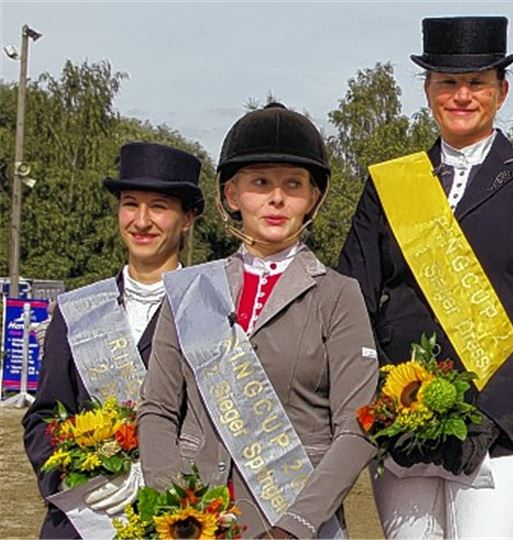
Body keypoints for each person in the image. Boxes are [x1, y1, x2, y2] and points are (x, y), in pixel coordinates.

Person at [337, 16, 513, 539]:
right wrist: (390, 399)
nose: (462, 95)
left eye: (477, 83)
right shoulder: (391, 182)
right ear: (428, 90)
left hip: (500, 429)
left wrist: (495, 413)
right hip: (407, 426)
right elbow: (352, 302)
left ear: (502, 91)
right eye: (447, 82)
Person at [137, 103, 378, 539]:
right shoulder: (188, 291)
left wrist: (294, 527)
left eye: (293, 184)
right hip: (198, 517)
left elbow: (357, 427)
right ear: (231, 195)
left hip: (295, 517)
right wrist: (177, 508)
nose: (277, 198)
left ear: (313, 199)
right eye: (260, 182)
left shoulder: (339, 296)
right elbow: (157, 410)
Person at [23, 142, 203, 538]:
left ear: (187, 218)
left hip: (170, 519)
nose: (141, 221)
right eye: (129, 203)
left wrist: (156, 473)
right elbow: (43, 416)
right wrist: (70, 477)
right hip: (80, 520)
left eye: (158, 206)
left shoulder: (209, 311)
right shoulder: (78, 310)